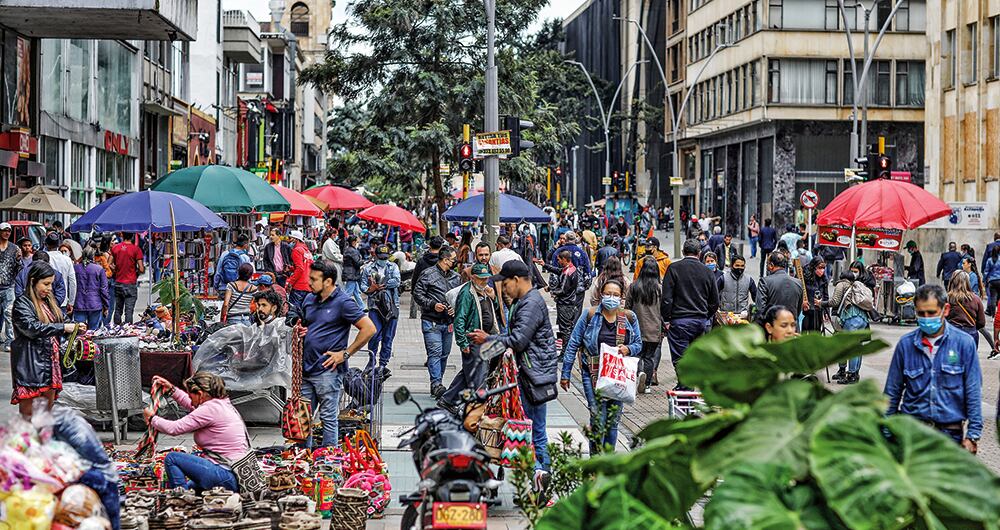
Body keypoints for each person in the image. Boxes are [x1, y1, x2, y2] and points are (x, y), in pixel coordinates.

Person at [468, 260, 557, 490]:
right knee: (530, 429)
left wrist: (487, 339)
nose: (503, 289)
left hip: (534, 376)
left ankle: (541, 478)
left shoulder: (532, 303)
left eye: (505, 283)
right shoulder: (522, 301)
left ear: (516, 280)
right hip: (527, 374)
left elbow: (518, 340)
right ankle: (537, 481)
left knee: (534, 431)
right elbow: (510, 335)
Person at [287, 260, 376, 447]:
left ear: (328, 281)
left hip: (328, 371)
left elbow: (369, 329)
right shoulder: (310, 299)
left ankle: (329, 461)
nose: (309, 282)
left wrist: (345, 354)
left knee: (328, 418)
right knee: (302, 418)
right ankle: (304, 459)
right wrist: (301, 328)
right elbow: (306, 323)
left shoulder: (344, 302)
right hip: (306, 368)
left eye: (313, 279)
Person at [884, 284, 982, 452]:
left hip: (949, 435)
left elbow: (972, 390)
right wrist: (886, 434)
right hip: (912, 432)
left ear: (945, 310)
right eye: (921, 313)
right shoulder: (906, 345)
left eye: (931, 313)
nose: (926, 318)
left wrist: (972, 436)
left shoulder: (964, 344)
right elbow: (892, 393)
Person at [561, 279, 641, 453]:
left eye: (615, 295)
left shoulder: (628, 317)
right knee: (598, 417)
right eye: (608, 294)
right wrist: (565, 373)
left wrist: (628, 348)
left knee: (612, 421)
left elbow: (638, 344)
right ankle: (596, 461)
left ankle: (608, 461)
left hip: (617, 375)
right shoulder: (589, 315)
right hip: (592, 374)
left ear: (622, 298)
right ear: (601, 295)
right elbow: (574, 342)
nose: (611, 298)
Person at [144, 373, 249, 491]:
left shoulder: (209, 409)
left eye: (190, 396)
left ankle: (181, 500)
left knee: (172, 458)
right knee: (190, 487)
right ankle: (188, 493)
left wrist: (152, 418)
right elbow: (192, 405)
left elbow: (174, 429)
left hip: (224, 474)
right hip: (234, 473)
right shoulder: (221, 404)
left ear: (200, 394)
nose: (190, 399)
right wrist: (172, 390)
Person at [11, 263, 83, 417]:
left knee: (44, 418)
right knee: (29, 419)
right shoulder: (22, 304)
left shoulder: (50, 303)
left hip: (50, 366)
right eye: (46, 284)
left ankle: (43, 441)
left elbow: (62, 320)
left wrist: (75, 327)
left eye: (51, 284)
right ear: (33, 281)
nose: (50, 288)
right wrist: (63, 328)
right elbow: (32, 328)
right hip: (31, 368)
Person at [441, 263, 500, 407]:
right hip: (474, 339)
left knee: (470, 371)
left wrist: (494, 298)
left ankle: (447, 400)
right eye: (481, 279)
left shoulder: (486, 290)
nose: (484, 281)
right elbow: (459, 319)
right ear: (473, 278)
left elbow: (495, 310)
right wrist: (462, 342)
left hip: (486, 338)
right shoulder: (467, 293)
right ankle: (477, 408)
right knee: (479, 374)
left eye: (486, 278)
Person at [661, 239, 719, 375]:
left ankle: (685, 389)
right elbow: (715, 302)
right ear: (699, 253)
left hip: (679, 321)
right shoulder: (708, 272)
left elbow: (666, 299)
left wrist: (667, 319)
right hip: (699, 321)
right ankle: (686, 387)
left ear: (682, 252)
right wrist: (704, 316)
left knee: (680, 358)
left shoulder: (674, 268)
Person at [413, 246, 461, 398]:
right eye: (453, 259)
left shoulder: (456, 277)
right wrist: (432, 305)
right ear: (446, 260)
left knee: (444, 354)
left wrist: (455, 309)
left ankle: (437, 383)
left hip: (448, 322)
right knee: (435, 353)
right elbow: (417, 294)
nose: (455, 262)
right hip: (431, 321)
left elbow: (459, 297)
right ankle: (436, 384)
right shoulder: (427, 274)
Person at [827, 271, 874, 384]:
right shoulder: (855, 286)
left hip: (851, 317)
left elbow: (835, 301)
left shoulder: (841, 284)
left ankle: (850, 375)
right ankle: (854, 374)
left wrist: (822, 303)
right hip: (862, 318)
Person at [360, 244, 401, 369]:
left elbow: (397, 281)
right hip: (375, 307)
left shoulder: (393, 267)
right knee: (373, 334)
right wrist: (371, 288)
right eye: (381, 258)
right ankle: (372, 359)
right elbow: (362, 286)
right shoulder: (368, 268)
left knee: (388, 337)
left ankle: (383, 363)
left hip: (391, 307)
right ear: (375, 256)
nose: (383, 260)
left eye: (385, 258)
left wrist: (380, 283)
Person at [626, 258, 663, 392]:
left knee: (637, 355)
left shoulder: (634, 286)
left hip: (637, 328)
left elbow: (627, 308)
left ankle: (638, 375)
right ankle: (647, 384)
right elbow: (664, 310)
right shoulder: (660, 289)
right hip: (654, 328)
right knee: (649, 357)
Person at [542, 250, 583, 355]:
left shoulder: (567, 273)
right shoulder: (571, 269)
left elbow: (563, 290)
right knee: (565, 327)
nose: (558, 261)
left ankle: (566, 352)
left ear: (564, 259)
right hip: (569, 303)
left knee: (565, 329)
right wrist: (544, 265)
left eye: (559, 259)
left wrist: (551, 290)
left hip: (565, 304)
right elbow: (558, 270)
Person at [758, 252, 805, 324]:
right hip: (792, 328)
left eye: (767, 264)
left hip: (774, 328)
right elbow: (798, 309)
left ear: (771, 265)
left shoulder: (765, 281)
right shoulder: (798, 283)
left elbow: (760, 309)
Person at [945, 271, 986, 349]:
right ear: (968, 282)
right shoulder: (976, 299)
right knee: (969, 359)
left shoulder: (947, 298)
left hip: (952, 334)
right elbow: (981, 322)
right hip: (971, 335)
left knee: (952, 359)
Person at [72, 247, 109, 331]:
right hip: (95, 304)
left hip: (79, 303)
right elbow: (104, 289)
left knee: (79, 331)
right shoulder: (99, 269)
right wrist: (106, 305)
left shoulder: (75, 268)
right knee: (93, 331)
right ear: (92, 256)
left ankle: (81, 344)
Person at [110, 232, 142, 325]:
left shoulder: (115, 248)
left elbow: (109, 264)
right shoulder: (136, 249)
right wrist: (136, 273)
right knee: (129, 311)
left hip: (118, 282)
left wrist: (116, 270)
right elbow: (141, 268)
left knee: (118, 309)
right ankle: (127, 330)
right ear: (132, 237)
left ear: (122, 236)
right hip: (130, 283)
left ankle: (116, 328)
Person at [0, 222, 22, 351]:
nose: (7, 233)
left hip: (9, 286)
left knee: (9, 314)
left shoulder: (14, 249)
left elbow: (20, 269)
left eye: (9, 231)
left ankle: (10, 340)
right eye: (4, 230)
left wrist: (19, 260)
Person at [717, 255, 757, 320]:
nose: (740, 268)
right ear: (732, 266)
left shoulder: (749, 280)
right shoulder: (723, 278)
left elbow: (756, 297)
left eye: (742, 266)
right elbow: (714, 294)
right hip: (727, 315)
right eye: (737, 265)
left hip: (742, 316)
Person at [45, 232, 76, 313]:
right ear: (58, 245)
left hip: (45, 299)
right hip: (62, 300)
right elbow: (72, 282)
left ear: (46, 244)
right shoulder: (67, 259)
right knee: (61, 324)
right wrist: (71, 302)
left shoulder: (44, 258)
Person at [285, 230, 314, 311]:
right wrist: (291, 268)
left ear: (296, 240)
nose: (289, 240)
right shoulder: (307, 251)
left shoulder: (297, 250)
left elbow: (300, 269)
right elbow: (305, 267)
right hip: (308, 285)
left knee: (294, 312)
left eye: (290, 238)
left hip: (299, 286)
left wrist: (290, 283)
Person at [801, 257, 829, 332]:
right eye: (820, 268)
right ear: (814, 267)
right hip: (806, 310)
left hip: (818, 310)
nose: (822, 270)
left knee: (816, 332)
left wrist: (826, 312)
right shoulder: (804, 277)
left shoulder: (824, 279)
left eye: (823, 268)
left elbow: (826, 295)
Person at [984, 244, 1000, 317]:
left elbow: (986, 272)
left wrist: (985, 280)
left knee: (993, 298)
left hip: (992, 281)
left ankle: (993, 315)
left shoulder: (989, 260)